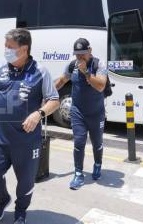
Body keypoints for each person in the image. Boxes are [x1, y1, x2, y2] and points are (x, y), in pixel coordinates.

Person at [0, 28, 59, 224]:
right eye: (5, 47)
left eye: (10, 47)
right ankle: (2, 199)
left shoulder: (40, 71)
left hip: (27, 141)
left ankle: (21, 210)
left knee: (25, 182)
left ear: (24, 49)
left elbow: (54, 100)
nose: (6, 51)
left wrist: (38, 114)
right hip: (0, 138)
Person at [55, 38, 108, 190]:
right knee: (79, 142)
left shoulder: (99, 64)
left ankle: (97, 164)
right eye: (76, 54)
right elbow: (61, 81)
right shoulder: (72, 65)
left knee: (97, 142)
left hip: (96, 113)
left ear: (89, 50)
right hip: (78, 112)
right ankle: (78, 174)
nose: (79, 58)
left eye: (82, 54)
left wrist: (86, 72)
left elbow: (100, 86)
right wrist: (48, 94)